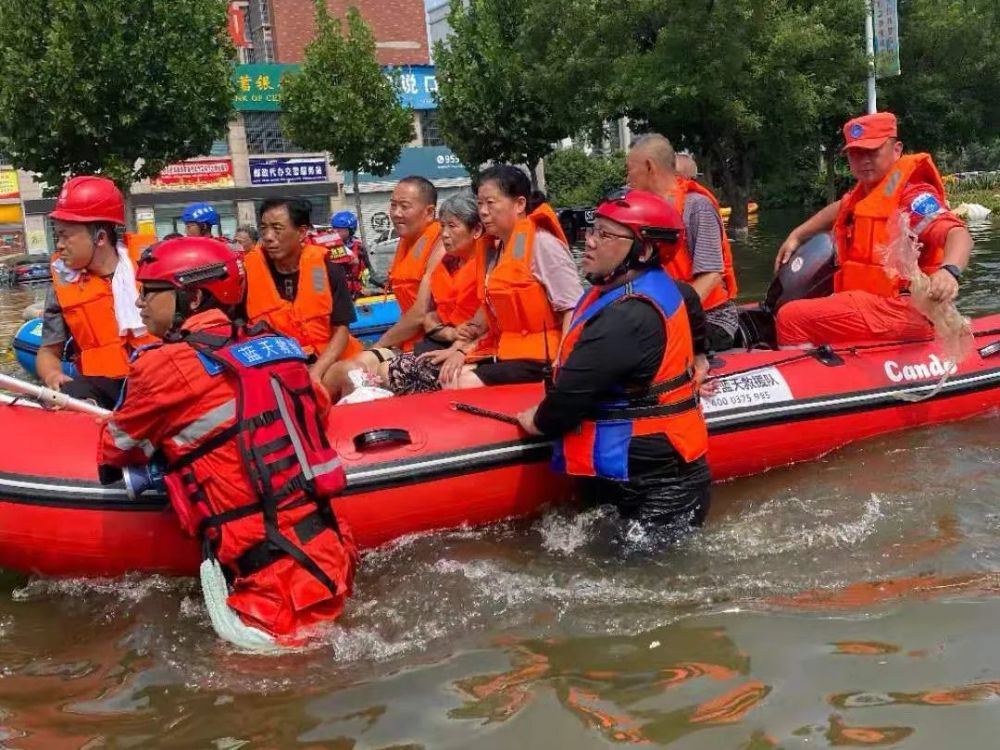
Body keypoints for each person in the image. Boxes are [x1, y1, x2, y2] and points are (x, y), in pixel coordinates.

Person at [97, 237, 357, 644]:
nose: (140, 302)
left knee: (254, 695)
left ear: (194, 297)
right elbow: (316, 409)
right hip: (329, 546)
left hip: (276, 576)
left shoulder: (163, 365)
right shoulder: (280, 346)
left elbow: (116, 446)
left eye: (150, 292)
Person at [516, 190, 711, 535]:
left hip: (658, 487)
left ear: (645, 250)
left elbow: (564, 406)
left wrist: (535, 420)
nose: (589, 242)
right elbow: (691, 302)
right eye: (592, 230)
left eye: (605, 235)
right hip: (628, 475)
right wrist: (699, 358)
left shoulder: (626, 318)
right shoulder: (654, 290)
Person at [773, 112, 972, 345]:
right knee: (788, 304)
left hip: (906, 308)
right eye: (856, 154)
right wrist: (797, 235)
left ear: (897, 150)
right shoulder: (864, 193)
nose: (863, 160)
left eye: (872, 152)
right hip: (870, 303)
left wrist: (949, 271)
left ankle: (803, 376)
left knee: (790, 317)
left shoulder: (912, 197)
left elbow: (958, 234)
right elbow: (838, 208)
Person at [434, 165, 583, 389]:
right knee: (442, 375)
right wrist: (462, 349)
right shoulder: (496, 249)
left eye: (490, 203)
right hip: (505, 351)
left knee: (457, 383)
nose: (483, 211)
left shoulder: (542, 244)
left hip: (542, 359)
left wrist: (563, 365)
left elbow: (573, 306)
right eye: (480, 203)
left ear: (520, 204)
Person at [37, 176, 158, 408]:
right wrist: (53, 376)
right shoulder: (62, 285)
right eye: (57, 236)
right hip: (103, 389)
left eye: (65, 235)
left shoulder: (154, 269)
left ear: (100, 237)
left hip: (158, 380)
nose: (59, 245)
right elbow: (48, 352)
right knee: (65, 398)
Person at [320, 177, 445, 397]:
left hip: (432, 343)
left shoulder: (441, 244)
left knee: (366, 368)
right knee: (349, 370)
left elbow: (419, 314)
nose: (395, 213)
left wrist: (379, 343)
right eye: (393, 204)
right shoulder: (407, 241)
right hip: (406, 341)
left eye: (404, 206)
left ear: (428, 211)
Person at [627, 133, 740, 352]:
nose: (627, 177)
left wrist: (667, 316)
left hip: (710, 319)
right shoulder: (639, 212)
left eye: (630, 169)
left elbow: (711, 276)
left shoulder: (696, 207)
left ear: (649, 167)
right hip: (660, 314)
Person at [377, 192, 494, 395]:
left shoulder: (489, 266)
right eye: (442, 226)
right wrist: (447, 332)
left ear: (476, 230)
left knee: (392, 370)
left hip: (475, 347)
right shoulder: (446, 265)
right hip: (441, 339)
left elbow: (478, 326)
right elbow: (430, 317)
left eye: (452, 226)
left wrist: (457, 348)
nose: (444, 234)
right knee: (382, 368)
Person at [244, 197, 362, 384]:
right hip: (277, 372)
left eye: (277, 228)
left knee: (353, 373)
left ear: (301, 232)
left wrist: (316, 371)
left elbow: (341, 329)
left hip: (327, 363)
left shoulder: (327, 268)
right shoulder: (247, 274)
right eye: (264, 228)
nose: (268, 236)